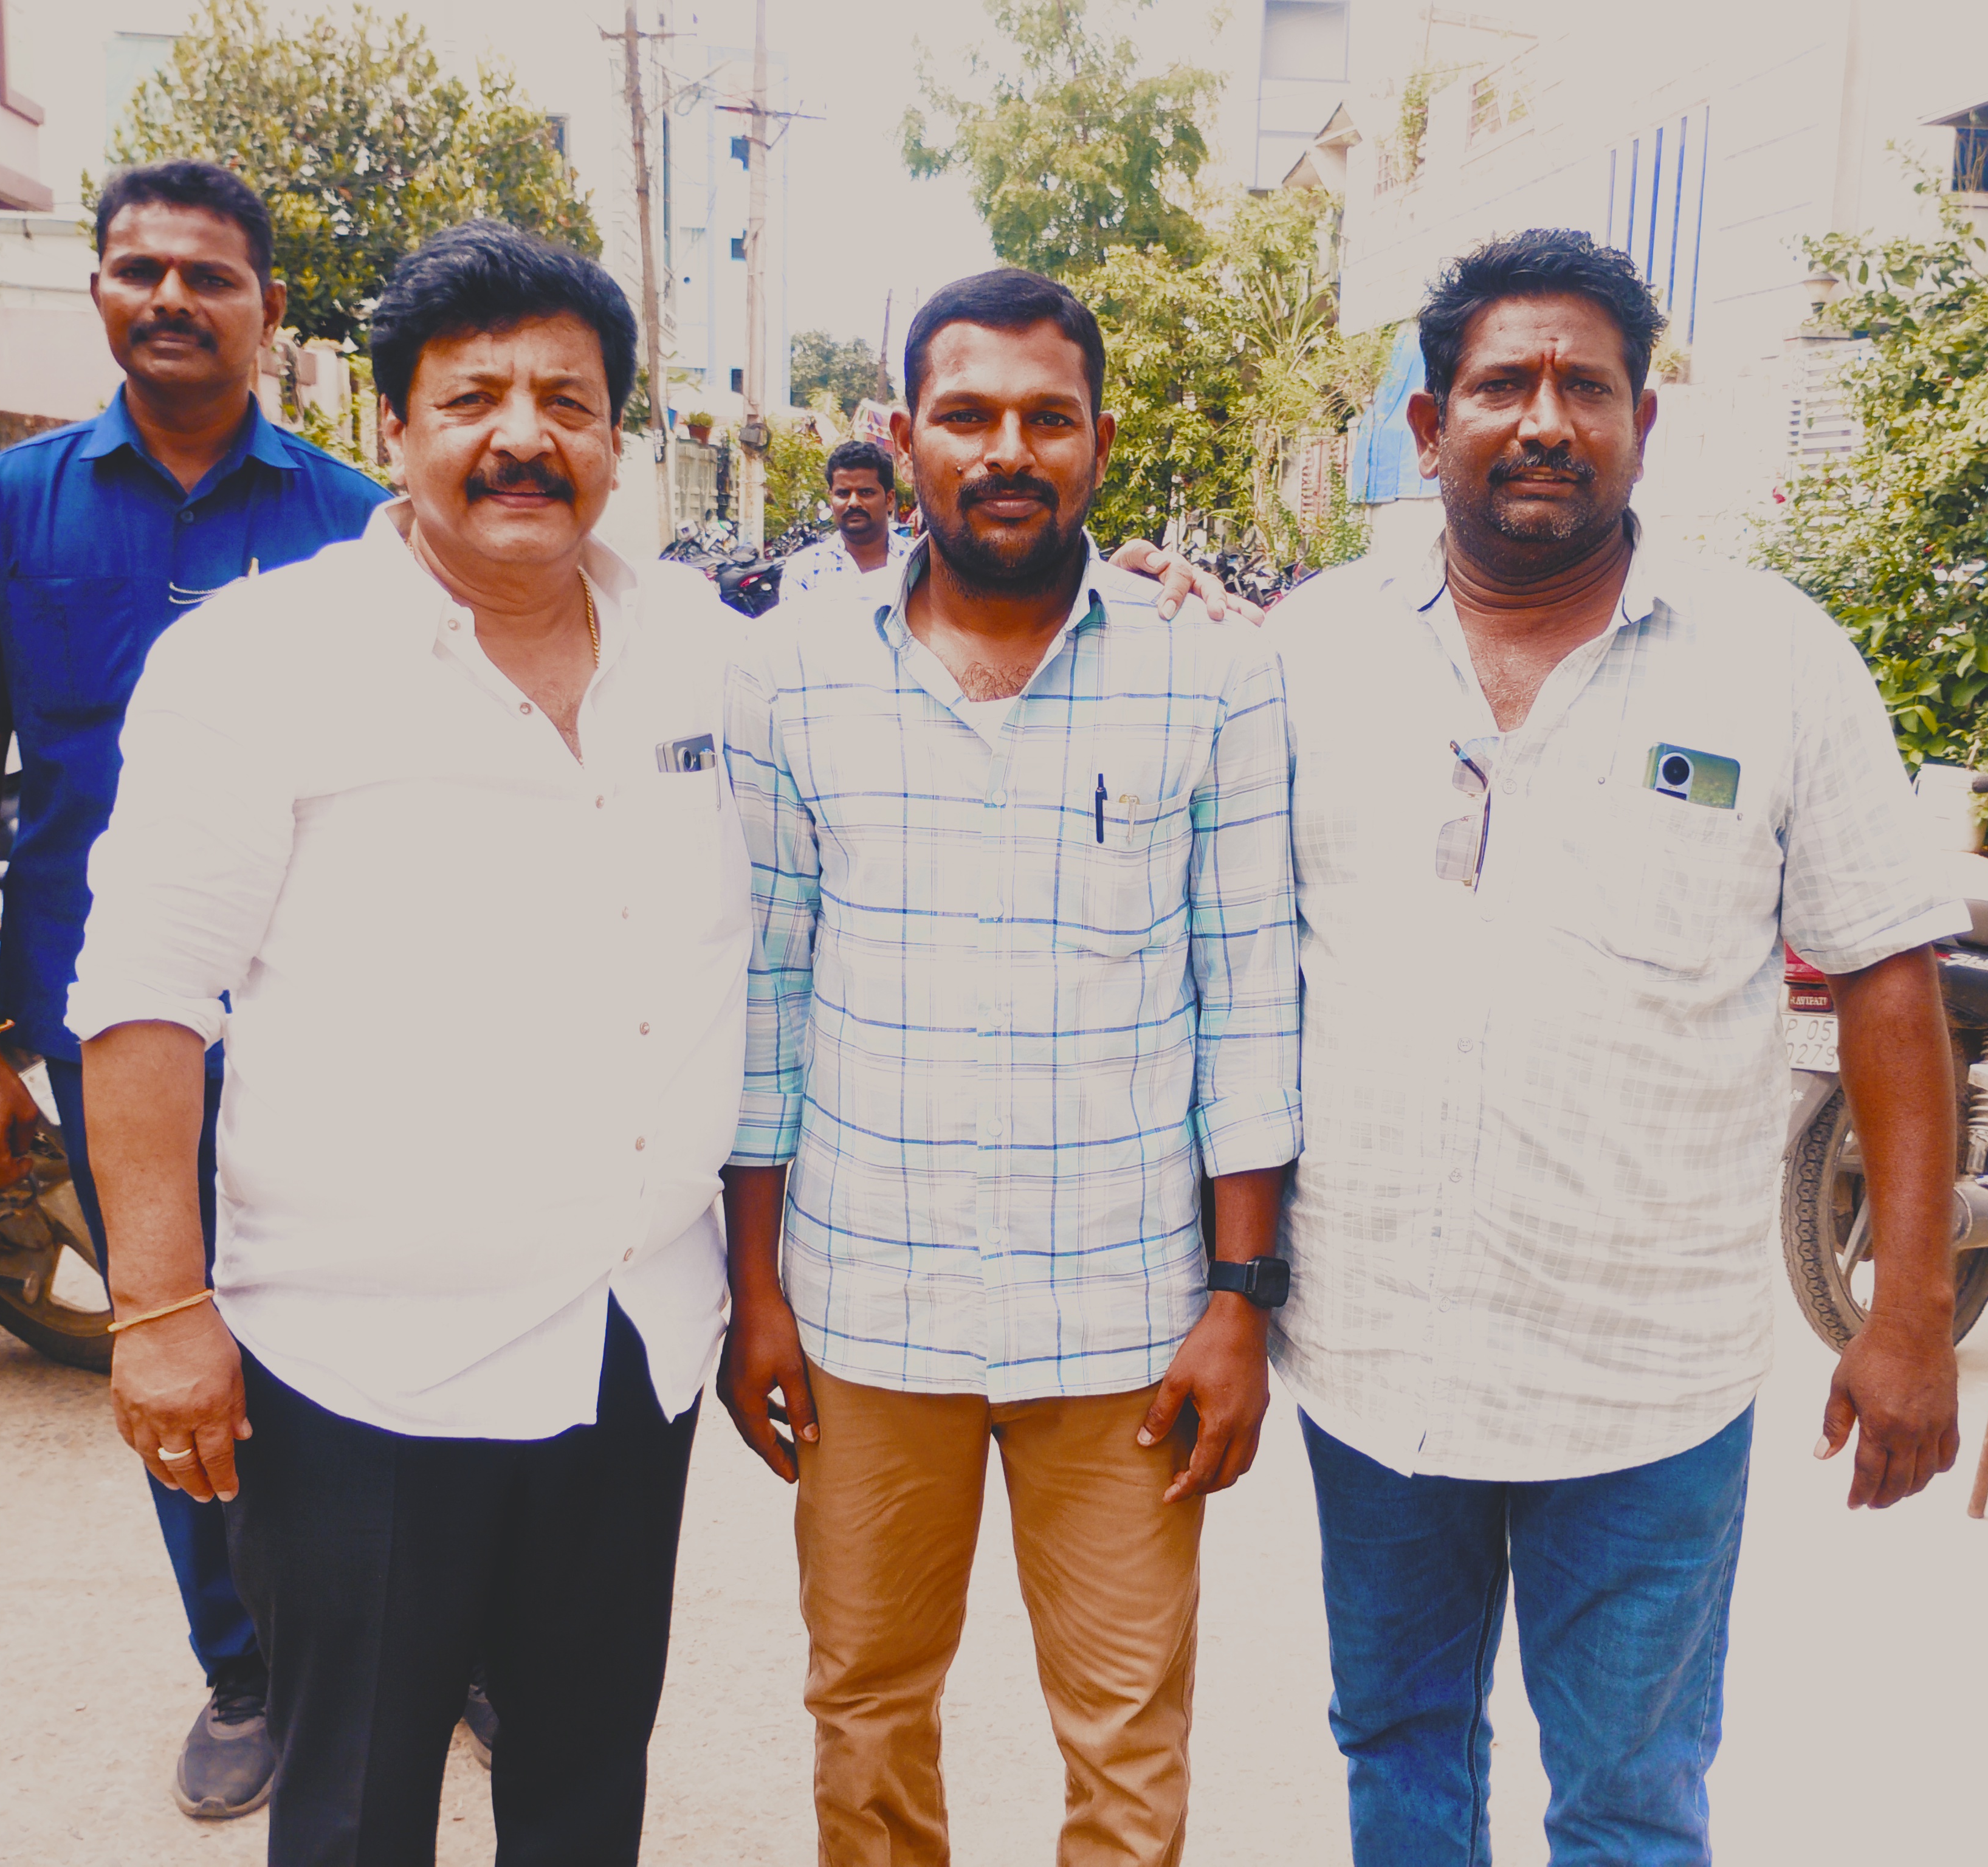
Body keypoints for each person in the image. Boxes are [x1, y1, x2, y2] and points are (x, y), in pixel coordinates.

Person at [1262, 229, 1969, 1865]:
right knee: (1397, 1749)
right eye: (1502, 385)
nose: (1544, 421)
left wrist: (1909, 1312)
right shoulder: (1306, 653)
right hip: (1374, 1355)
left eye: (1585, 387)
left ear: (1641, 421)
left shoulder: (1774, 658)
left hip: (1646, 1377)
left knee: (1631, 1798)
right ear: (1428, 424)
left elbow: (1887, 976)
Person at [64, 219, 751, 1865]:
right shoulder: (258, 660)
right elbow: (144, 997)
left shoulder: (705, 650)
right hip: (364, 1371)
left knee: (584, 1789)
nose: (525, 438)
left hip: (630, 1347)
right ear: (394, 428)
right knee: (357, 1807)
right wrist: (159, 1308)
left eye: (567, 403)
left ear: (615, 439)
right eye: (474, 399)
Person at [718, 267, 1302, 1865]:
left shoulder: (1212, 670)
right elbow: (768, 999)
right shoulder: (788, 673)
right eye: (967, 416)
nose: (1007, 451)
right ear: (905, 435)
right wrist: (757, 1290)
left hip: (1122, 1318)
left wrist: (1239, 1303)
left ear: (1100, 441)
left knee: (1126, 1739)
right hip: (867, 1304)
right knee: (865, 1709)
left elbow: (1251, 998)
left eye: (1049, 419)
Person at [0, 158, 389, 1821]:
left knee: (362, 1346)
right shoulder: (6, 509)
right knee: (174, 1339)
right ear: (97, 289)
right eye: (137, 268)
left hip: (333, 1023)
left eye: (208, 273)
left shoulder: (354, 520)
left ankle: (416, 1641)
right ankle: (245, 1669)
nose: (170, 296)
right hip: (109, 1028)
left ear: (268, 308)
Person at [781, 438, 900, 596]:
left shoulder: (919, 563)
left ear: (889, 500)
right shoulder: (803, 571)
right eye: (843, 494)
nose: (853, 503)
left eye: (866, 492)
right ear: (831, 499)